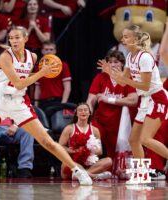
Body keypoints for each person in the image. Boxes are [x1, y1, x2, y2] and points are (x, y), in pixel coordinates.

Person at [0, 26, 92, 185]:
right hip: (0, 101)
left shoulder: (32, 56)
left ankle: (78, 171)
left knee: (47, 141)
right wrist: (41, 73)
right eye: (11, 38)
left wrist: (43, 72)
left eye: (17, 37)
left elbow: (25, 76)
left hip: (19, 102)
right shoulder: (5, 57)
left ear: (26, 38)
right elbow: (18, 83)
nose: (13, 41)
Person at [99, 25, 168, 184]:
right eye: (122, 36)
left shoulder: (145, 57)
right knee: (134, 140)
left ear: (136, 39)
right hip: (145, 100)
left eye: (126, 37)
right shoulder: (130, 56)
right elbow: (124, 83)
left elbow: (144, 85)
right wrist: (110, 72)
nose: (122, 40)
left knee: (146, 139)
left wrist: (122, 77)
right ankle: (142, 174)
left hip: (157, 98)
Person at [87, 50, 138, 161]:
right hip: (100, 121)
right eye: (110, 62)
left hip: (119, 125)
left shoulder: (128, 78)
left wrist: (109, 99)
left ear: (122, 64)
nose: (113, 65)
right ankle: (88, 167)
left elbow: (133, 100)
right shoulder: (100, 77)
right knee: (90, 141)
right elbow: (90, 100)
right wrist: (87, 116)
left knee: (116, 160)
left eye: (116, 62)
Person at [60, 103, 112, 180]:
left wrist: (88, 150)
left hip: (90, 164)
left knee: (109, 161)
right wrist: (74, 151)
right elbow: (60, 146)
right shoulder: (69, 128)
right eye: (80, 110)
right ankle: (93, 176)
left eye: (85, 110)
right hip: (74, 163)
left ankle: (82, 176)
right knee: (65, 164)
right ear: (76, 114)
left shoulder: (95, 130)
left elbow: (100, 151)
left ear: (89, 113)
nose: (83, 112)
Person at [34, 41, 72, 118]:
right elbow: (37, 88)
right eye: (46, 49)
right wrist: (36, 106)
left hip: (57, 102)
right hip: (43, 103)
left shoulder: (63, 65)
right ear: (42, 51)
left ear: (55, 51)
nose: (49, 51)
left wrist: (63, 104)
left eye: (51, 49)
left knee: (56, 126)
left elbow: (67, 87)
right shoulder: (38, 67)